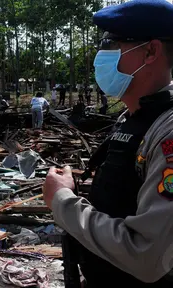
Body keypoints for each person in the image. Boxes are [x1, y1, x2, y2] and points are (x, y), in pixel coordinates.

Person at [43, 1, 173, 287]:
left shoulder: (167, 131)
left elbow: (148, 255)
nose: (101, 55)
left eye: (111, 44)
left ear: (150, 51)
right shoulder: (134, 118)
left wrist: (63, 202)